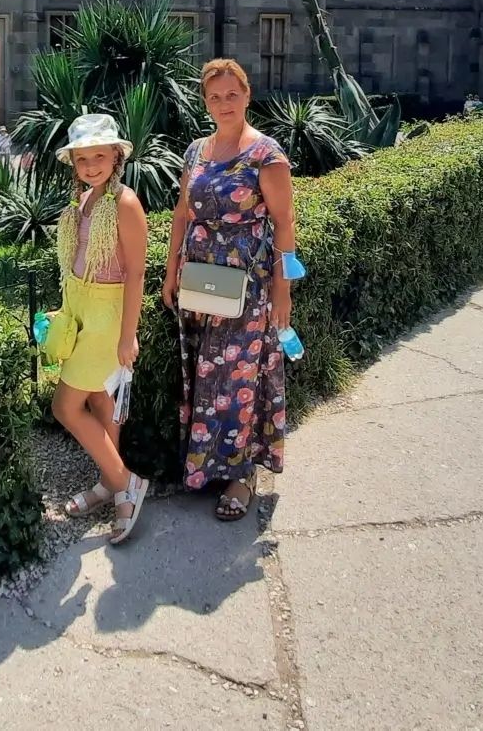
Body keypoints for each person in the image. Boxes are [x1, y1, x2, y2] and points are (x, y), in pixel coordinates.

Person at [162, 58, 297, 522]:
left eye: (232, 95)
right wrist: (171, 272)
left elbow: (285, 225)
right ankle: (206, 467)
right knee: (206, 375)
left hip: (248, 286)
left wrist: (283, 291)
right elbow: (182, 214)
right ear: (206, 102)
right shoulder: (196, 151)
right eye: (215, 97)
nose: (224, 104)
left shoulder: (266, 155)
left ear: (247, 95)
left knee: (239, 378)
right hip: (201, 284)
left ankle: (241, 475)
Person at [42, 114, 151, 545]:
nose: (90, 166)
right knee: (103, 401)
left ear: (116, 157)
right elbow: (79, 259)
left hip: (107, 316)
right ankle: (110, 484)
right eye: (82, 159)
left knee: (65, 406)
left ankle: (128, 482)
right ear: (73, 163)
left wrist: (127, 334)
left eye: (99, 157)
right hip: (81, 306)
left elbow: (136, 273)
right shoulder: (85, 201)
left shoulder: (125, 203)